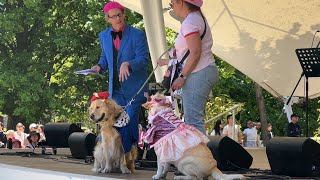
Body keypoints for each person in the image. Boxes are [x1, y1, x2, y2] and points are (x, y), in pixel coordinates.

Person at [91, 1, 149, 154]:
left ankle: (130, 156)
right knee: (115, 122)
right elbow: (105, 58)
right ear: (108, 19)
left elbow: (143, 59)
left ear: (124, 15)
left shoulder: (138, 34)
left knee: (129, 120)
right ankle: (118, 156)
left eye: (120, 15)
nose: (118, 19)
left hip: (135, 88)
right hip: (115, 89)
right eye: (113, 16)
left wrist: (128, 63)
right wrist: (98, 67)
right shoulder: (103, 36)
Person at [157, 0, 218, 134]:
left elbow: (195, 52)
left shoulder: (190, 22)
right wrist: (168, 61)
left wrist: (182, 76)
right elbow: (189, 53)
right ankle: (199, 153)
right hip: (203, 71)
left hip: (198, 73)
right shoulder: (196, 18)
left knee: (193, 121)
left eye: (172, 3)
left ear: (180, 2)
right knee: (193, 119)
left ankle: (200, 154)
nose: (171, 6)